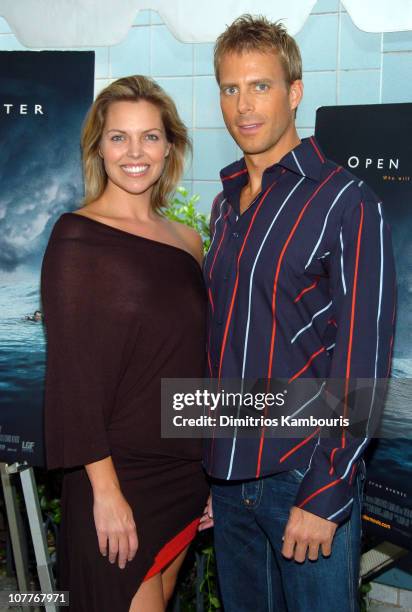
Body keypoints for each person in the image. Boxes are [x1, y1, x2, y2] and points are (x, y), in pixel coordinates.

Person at [198, 15, 396, 612]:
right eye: (230, 88)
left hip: (303, 479)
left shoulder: (346, 200)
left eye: (260, 85)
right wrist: (209, 465)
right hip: (229, 484)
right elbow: (224, 348)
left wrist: (329, 488)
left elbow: (364, 360)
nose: (243, 105)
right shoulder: (224, 202)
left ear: (295, 92)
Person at [41, 75, 209, 612]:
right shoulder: (76, 236)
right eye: (119, 138)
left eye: (150, 137)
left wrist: (211, 472)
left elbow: (195, 365)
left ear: (170, 145)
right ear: (98, 147)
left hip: (184, 475)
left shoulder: (189, 242)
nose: (135, 152)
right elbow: (74, 377)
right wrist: (106, 494)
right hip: (117, 476)